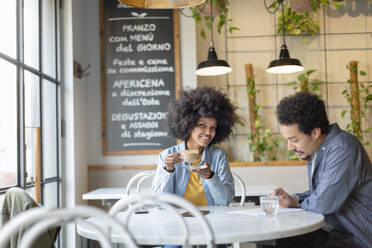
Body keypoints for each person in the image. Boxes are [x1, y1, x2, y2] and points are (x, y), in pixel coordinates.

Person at [270, 92, 372, 248]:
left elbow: (323, 203)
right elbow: (321, 192)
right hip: (335, 232)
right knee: (286, 238)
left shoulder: (343, 148)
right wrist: (293, 200)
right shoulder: (319, 149)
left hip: (356, 238)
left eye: (294, 140)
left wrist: (297, 202)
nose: (290, 147)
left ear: (315, 133)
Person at [152, 86, 237, 206]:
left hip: (212, 220)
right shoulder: (167, 156)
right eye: (202, 125)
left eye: (213, 127)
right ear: (188, 125)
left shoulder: (219, 156)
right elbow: (159, 203)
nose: (208, 132)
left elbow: (225, 200)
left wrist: (210, 176)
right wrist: (168, 170)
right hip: (180, 221)